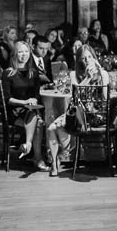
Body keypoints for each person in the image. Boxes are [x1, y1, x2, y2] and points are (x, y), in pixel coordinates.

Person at [46, 44, 110, 177]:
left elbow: (105, 98)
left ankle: (66, 151)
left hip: (96, 115)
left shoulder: (103, 73)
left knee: (59, 129)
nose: (87, 61)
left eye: (89, 57)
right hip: (78, 113)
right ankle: (54, 162)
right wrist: (88, 78)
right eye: (83, 58)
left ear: (94, 57)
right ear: (79, 60)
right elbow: (76, 97)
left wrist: (100, 75)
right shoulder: (74, 74)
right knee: (51, 128)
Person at [2, 40, 47, 171]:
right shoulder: (8, 73)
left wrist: (33, 100)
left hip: (31, 109)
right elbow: (7, 98)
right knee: (38, 121)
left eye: (26, 51)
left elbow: (38, 95)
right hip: (15, 110)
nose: (24, 54)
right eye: (20, 51)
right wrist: (24, 102)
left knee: (37, 118)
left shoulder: (34, 72)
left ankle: (28, 146)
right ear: (15, 54)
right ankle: (37, 158)